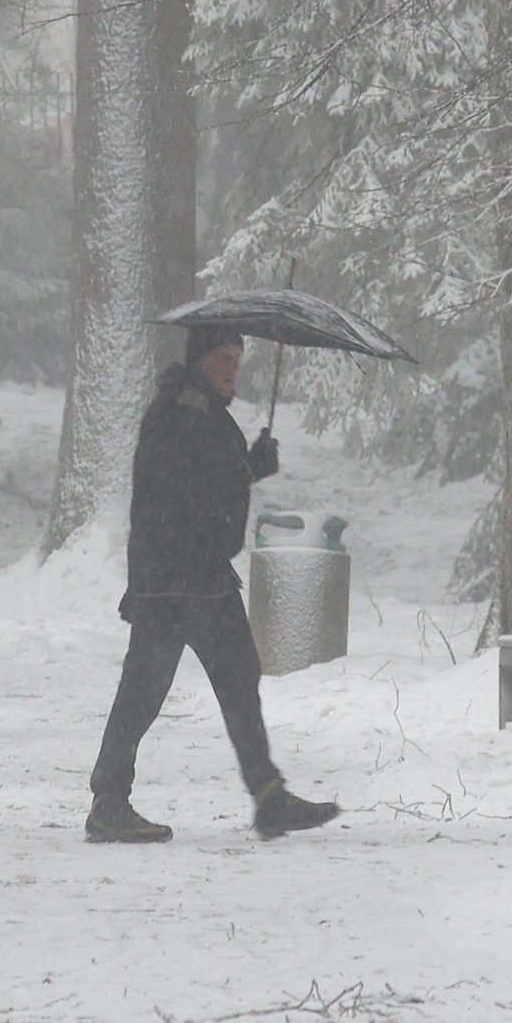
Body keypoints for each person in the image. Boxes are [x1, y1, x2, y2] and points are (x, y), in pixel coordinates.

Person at [86, 323, 342, 843]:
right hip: (173, 580)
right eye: (223, 357)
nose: (231, 368)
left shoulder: (200, 413)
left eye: (237, 359)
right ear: (200, 360)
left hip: (199, 578)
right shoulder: (180, 414)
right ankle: (108, 802)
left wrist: (247, 469)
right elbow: (181, 494)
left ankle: (268, 795)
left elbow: (208, 486)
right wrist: (245, 471)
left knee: (239, 680)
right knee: (144, 691)